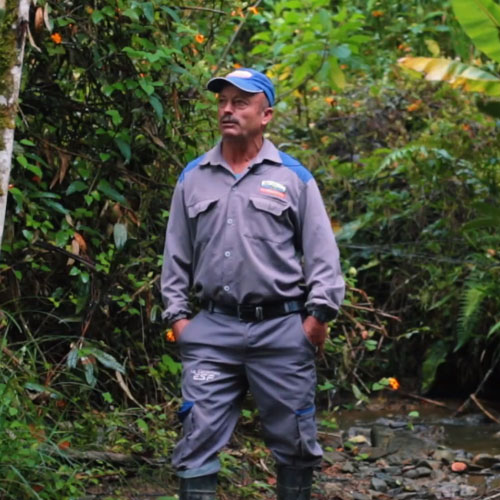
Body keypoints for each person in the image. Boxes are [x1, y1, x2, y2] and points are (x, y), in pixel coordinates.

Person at [161, 68, 345, 500]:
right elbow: (175, 255)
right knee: (196, 437)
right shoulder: (193, 177)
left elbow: (322, 255)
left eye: (241, 102)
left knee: (296, 443)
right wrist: (179, 320)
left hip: (282, 330)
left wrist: (317, 318)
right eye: (223, 101)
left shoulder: (292, 177)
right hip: (211, 330)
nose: (228, 109)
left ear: (266, 115)